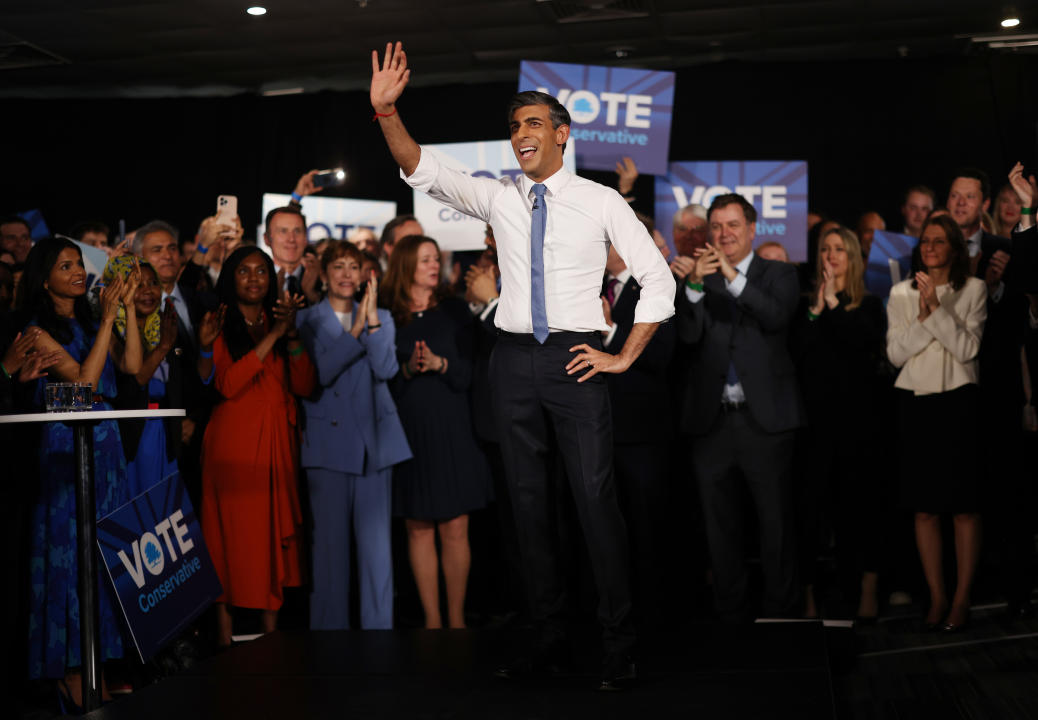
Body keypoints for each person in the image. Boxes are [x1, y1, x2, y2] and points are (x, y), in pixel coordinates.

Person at [371, 42, 674, 689]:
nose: (520, 136)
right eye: (513, 127)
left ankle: (619, 642)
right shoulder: (500, 198)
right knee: (527, 507)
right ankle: (549, 638)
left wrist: (622, 356)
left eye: (532, 124)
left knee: (595, 502)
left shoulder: (599, 201)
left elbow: (658, 281)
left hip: (575, 357)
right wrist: (388, 113)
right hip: (511, 361)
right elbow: (421, 167)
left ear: (562, 134)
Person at [18, 237, 142, 706]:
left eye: (78, 264)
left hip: (106, 449)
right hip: (67, 449)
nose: (77, 271)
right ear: (43, 277)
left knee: (104, 561)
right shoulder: (36, 331)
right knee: (70, 561)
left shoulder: (92, 320)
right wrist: (109, 318)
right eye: (65, 265)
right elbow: (85, 385)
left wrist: (124, 312)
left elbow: (129, 367)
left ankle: (98, 666)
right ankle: (70, 671)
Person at [676, 193, 804, 623]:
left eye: (732, 226)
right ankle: (730, 618)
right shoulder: (700, 279)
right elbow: (688, 339)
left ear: (752, 229)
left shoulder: (779, 273)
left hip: (764, 424)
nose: (723, 234)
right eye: (716, 227)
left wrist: (731, 276)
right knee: (719, 530)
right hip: (712, 425)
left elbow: (774, 316)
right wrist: (693, 287)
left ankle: (780, 617)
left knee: (776, 529)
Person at [200, 245, 315, 647]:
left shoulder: (277, 320)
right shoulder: (218, 321)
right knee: (230, 539)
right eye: (245, 272)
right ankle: (225, 638)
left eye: (262, 272)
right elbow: (227, 384)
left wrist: (292, 334)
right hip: (234, 446)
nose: (254, 279)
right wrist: (272, 338)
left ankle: (272, 635)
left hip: (277, 446)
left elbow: (303, 385)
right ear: (230, 279)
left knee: (273, 539)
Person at [379, 235, 492, 630]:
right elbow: (380, 383)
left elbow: (472, 375)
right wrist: (409, 368)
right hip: (409, 432)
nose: (434, 265)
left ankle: (457, 620)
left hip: (454, 429)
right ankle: (431, 621)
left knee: (456, 526)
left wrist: (442, 364)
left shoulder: (456, 311)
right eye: (426, 259)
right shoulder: (385, 317)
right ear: (406, 265)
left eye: (435, 259)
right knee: (418, 525)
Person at [297, 240, 411, 630]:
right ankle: (329, 641)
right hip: (327, 449)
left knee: (378, 555)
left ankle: (379, 639)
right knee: (329, 555)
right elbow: (321, 374)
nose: (347, 274)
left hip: (375, 447)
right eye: (339, 267)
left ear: (365, 275)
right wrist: (357, 330)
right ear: (324, 275)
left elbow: (386, 370)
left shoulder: (382, 317)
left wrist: (372, 324)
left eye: (354, 267)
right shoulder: (305, 321)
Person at [886, 215, 986, 631]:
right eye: (925, 241)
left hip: (959, 403)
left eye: (939, 241)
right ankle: (937, 595)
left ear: (954, 248)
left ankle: (961, 597)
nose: (929, 247)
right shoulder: (899, 292)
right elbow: (895, 354)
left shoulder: (973, 289)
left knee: (963, 507)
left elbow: (967, 348)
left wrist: (935, 310)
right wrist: (926, 313)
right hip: (917, 403)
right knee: (924, 507)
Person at [795, 226, 886, 621]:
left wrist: (832, 302)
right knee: (811, 516)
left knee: (859, 514)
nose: (830, 256)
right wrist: (817, 308)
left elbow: (860, 345)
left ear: (852, 257)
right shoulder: (806, 306)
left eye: (838, 250)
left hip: (858, 429)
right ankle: (809, 595)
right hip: (814, 430)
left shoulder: (869, 306)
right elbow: (798, 354)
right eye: (824, 250)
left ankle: (866, 589)